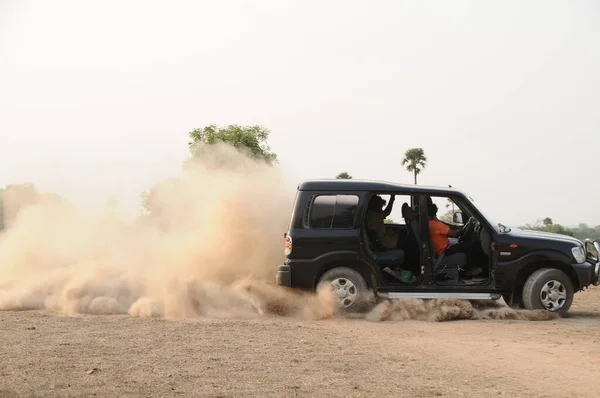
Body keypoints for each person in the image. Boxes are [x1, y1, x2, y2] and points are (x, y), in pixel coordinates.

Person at [427, 201, 481, 275]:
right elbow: (455, 234)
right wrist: (462, 230)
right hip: (444, 252)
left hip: (442, 250)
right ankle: (469, 270)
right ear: (435, 212)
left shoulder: (430, 224)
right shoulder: (437, 225)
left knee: (466, 245)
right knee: (471, 246)